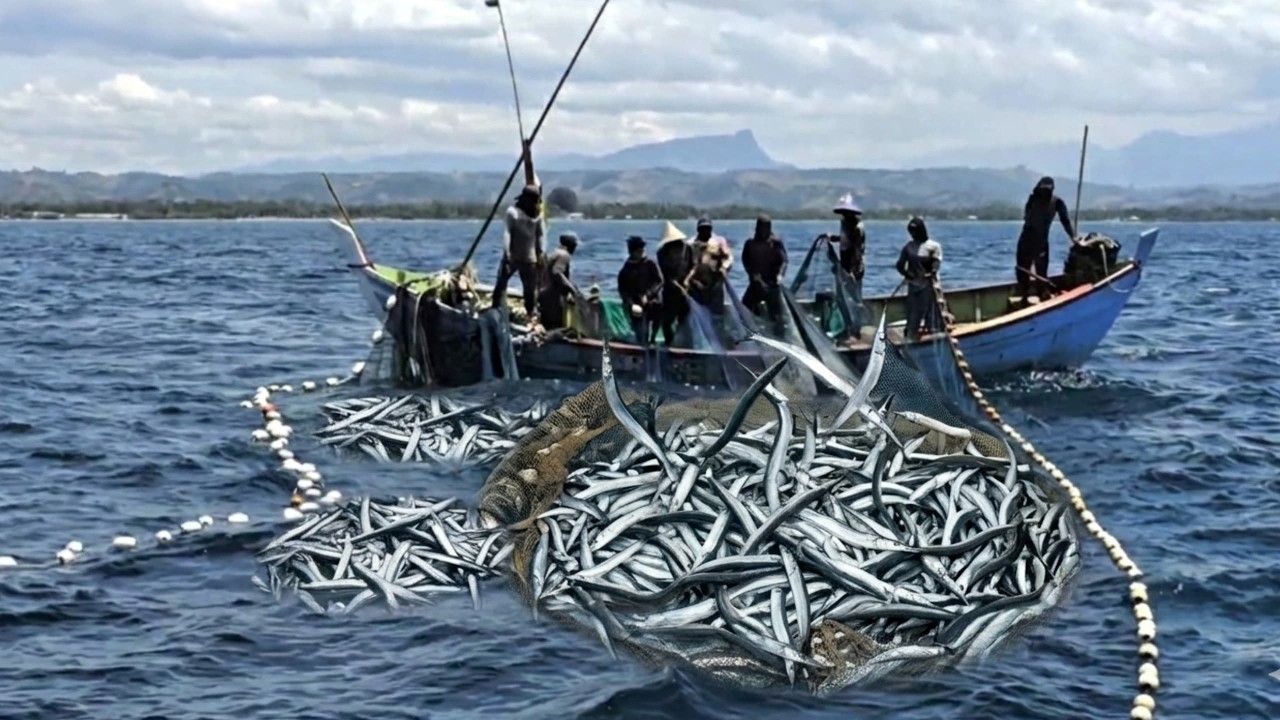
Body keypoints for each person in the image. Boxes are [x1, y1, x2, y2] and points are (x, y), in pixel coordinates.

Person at [1016, 176, 1075, 302]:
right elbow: (1027, 217)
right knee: (1022, 271)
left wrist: (1073, 237)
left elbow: (1065, 221)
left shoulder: (1056, 202)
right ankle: (1024, 296)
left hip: (1041, 242)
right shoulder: (1032, 199)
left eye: (1048, 188)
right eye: (1043, 188)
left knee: (1041, 273)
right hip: (1026, 240)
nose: (1045, 191)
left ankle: (1042, 294)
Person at [491, 184, 545, 321]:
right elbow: (507, 233)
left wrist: (541, 254)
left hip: (529, 259)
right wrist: (507, 253)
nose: (533, 204)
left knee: (529, 290)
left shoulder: (538, 216)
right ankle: (495, 311)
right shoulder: (513, 213)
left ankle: (530, 315)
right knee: (501, 285)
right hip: (513, 257)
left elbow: (540, 236)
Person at [896, 217, 944, 341]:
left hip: (929, 286)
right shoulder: (909, 247)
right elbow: (899, 265)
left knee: (931, 313)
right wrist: (907, 274)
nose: (913, 234)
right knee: (913, 314)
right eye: (911, 231)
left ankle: (934, 332)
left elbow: (936, 263)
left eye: (915, 231)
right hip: (914, 285)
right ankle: (911, 335)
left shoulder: (933, 246)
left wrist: (931, 273)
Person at [740, 214, 788, 328]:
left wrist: (780, 275)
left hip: (772, 285)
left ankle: (778, 334)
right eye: (761, 227)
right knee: (744, 310)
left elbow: (784, 261)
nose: (763, 230)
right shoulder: (750, 244)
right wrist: (752, 274)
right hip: (756, 285)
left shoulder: (776, 243)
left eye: (766, 227)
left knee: (777, 316)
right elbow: (745, 261)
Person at [654, 221, 696, 346]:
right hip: (670, 292)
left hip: (687, 291)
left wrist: (687, 280)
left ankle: (685, 345)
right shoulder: (662, 253)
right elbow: (666, 276)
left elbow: (693, 266)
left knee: (684, 321)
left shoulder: (687, 248)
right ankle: (670, 343)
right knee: (667, 322)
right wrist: (678, 287)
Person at [616, 235, 662, 346]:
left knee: (659, 311)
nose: (641, 252)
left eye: (642, 250)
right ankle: (643, 344)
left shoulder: (650, 264)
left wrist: (649, 295)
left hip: (651, 300)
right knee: (641, 332)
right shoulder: (625, 270)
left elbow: (659, 281)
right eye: (638, 250)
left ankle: (653, 338)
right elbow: (623, 291)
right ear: (631, 252)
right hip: (635, 304)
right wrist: (631, 304)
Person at [537, 232, 582, 331]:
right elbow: (557, 273)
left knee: (547, 325)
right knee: (555, 327)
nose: (575, 249)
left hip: (543, 294)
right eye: (574, 246)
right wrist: (572, 290)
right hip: (552, 297)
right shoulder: (564, 255)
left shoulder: (554, 253)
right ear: (569, 246)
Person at [688, 236, 732, 319]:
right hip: (700, 298)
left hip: (714, 298)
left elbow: (728, 262)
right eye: (714, 257)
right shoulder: (702, 265)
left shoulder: (721, 268)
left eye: (717, 257)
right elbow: (693, 279)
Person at [828, 193, 867, 284]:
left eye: (846, 213)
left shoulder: (858, 227)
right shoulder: (845, 224)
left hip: (854, 266)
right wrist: (833, 238)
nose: (844, 215)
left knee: (853, 290)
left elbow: (857, 250)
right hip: (845, 263)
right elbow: (846, 239)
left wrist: (853, 271)